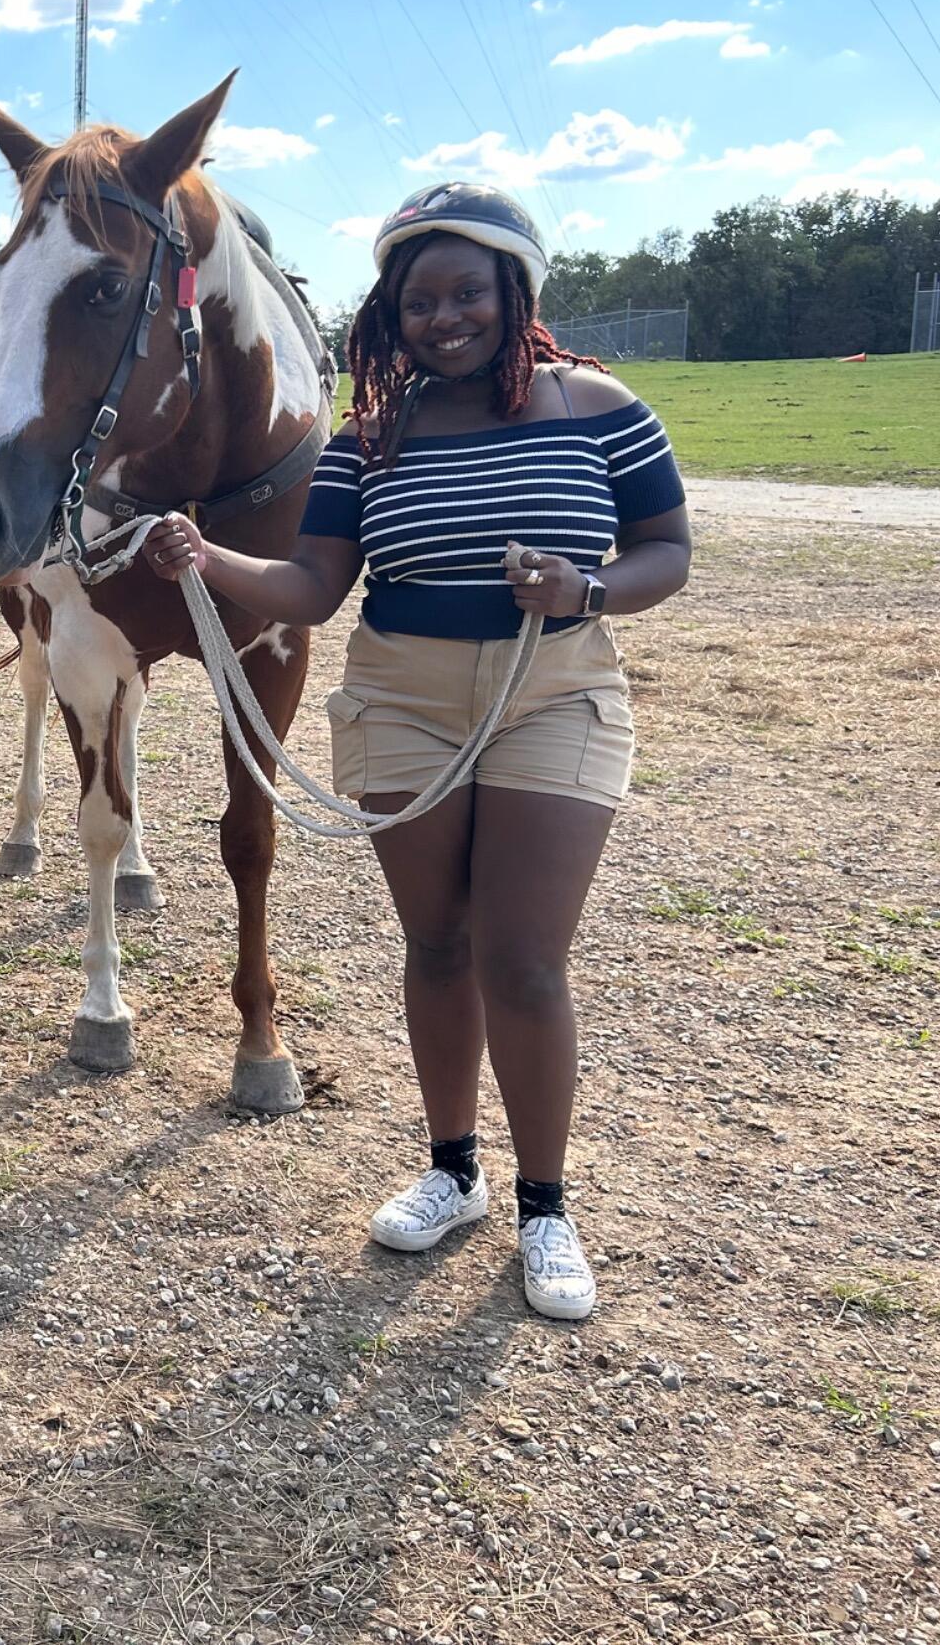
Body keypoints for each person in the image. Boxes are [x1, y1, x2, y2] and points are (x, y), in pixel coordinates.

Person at [142, 183, 691, 1320]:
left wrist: (586, 587)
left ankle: (545, 1204)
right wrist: (206, 559)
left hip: (554, 690)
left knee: (524, 959)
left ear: (512, 293)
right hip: (401, 695)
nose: (441, 318)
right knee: (436, 942)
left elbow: (665, 549)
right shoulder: (371, 436)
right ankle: (454, 1170)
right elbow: (312, 585)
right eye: (416, 300)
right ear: (388, 314)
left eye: (464, 294)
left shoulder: (600, 406)